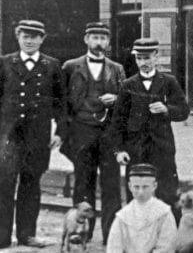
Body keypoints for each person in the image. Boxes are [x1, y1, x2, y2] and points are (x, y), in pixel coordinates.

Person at [0, 19, 66, 249]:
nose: (30, 41)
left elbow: (61, 103)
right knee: (4, 184)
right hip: (8, 135)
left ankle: (28, 234)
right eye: (25, 36)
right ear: (18, 37)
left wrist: (60, 132)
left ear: (42, 39)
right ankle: (0, 235)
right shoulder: (5, 63)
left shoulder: (52, 65)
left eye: (35, 37)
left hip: (37, 137)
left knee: (31, 184)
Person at [61, 21, 126, 243]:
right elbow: (63, 104)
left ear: (108, 42)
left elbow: (126, 101)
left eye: (103, 38)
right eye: (94, 37)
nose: (99, 42)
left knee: (112, 186)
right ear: (86, 39)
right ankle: (81, 233)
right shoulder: (70, 66)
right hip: (82, 133)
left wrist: (117, 99)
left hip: (108, 135)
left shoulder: (117, 69)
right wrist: (65, 133)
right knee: (82, 183)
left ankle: (111, 236)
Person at [108, 38, 190, 207]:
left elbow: (184, 111)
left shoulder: (169, 82)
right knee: (137, 196)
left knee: (167, 194)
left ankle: (169, 232)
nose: (143, 62)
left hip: (162, 149)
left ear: (156, 57)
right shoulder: (127, 85)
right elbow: (117, 121)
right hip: (136, 150)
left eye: (147, 58)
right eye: (139, 58)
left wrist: (167, 109)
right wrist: (118, 150)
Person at [105, 163, 177, 253]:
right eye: (136, 187)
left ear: (154, 186)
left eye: (145, 187)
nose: (140, 192)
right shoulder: (123, 216)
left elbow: (167, 246)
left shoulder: (164, 213)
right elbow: (114, 248)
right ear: (130, 186)